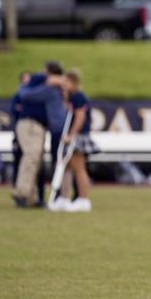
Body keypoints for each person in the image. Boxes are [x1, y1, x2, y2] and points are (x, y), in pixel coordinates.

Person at [13, 61, 66, 208]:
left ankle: (31, 196)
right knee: (32, 157)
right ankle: (22, 193)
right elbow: (24, 93)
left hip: (37, 126)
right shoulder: (45, 85)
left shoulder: (40, 84)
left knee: (36, 160)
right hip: (30, 124)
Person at [50, 68, 99, 213]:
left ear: (72, 82)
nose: (63, 85)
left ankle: (83, 200)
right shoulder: (71, 97)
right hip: (71, 136)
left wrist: (72, 134)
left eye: (65, 82)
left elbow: (80, 117)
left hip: (78, 136)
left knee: (79, 168)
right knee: (66, 168)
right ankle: (64, 198)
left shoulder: (78, 97)